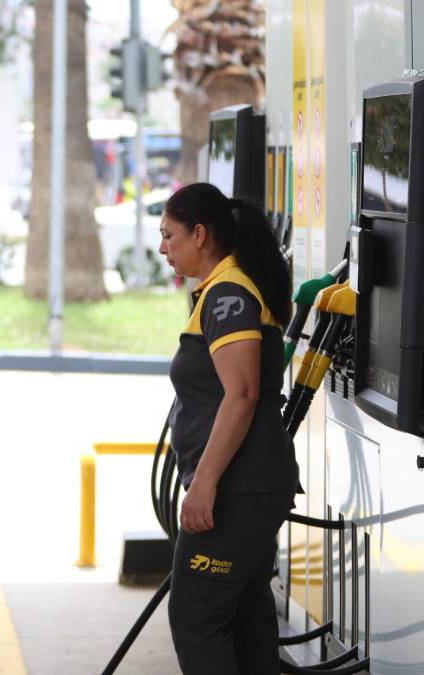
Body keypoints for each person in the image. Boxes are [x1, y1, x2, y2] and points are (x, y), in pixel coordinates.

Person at [159, 182, 299, 674]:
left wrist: (204, 483)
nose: (163, 249)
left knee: (196, 615)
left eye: (169, 235)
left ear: (200, 234)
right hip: (251, 486)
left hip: (237, 489)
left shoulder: (228, 294)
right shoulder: (225, 289)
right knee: (245, 618)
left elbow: (239, 395)